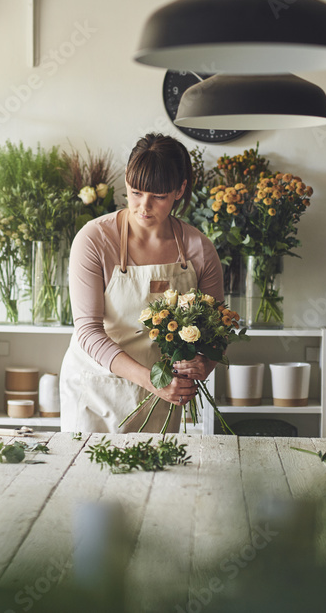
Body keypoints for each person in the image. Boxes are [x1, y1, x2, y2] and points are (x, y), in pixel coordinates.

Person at [59, 133, 224, 433]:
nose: (144, 206)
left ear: (180, 190)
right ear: (125, 179)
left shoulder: (199, 249)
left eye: (159, 197)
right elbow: (88, 331)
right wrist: (152, 382)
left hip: (162, 397)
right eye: (135, 192)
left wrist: (204, 362)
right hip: (97, 391)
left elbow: (218, 328)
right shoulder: (94, 239)